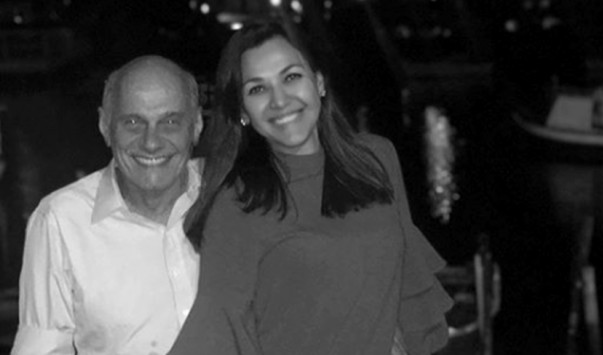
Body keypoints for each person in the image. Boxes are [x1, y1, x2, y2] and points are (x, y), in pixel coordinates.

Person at [169, 22, 453, 355]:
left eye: (291, 77)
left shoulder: (377, 159)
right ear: (243, 112)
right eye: (258, 89)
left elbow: (408, 287)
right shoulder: (238, 202)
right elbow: (216, 326)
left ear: (318, 82)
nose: (280, 100)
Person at [11, 56, 204, 355]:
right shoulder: (60, 221)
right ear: (105, 125)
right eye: (133, 122)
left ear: (197, 125)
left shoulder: (230, 199)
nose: (151, 142)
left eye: (170, 122)